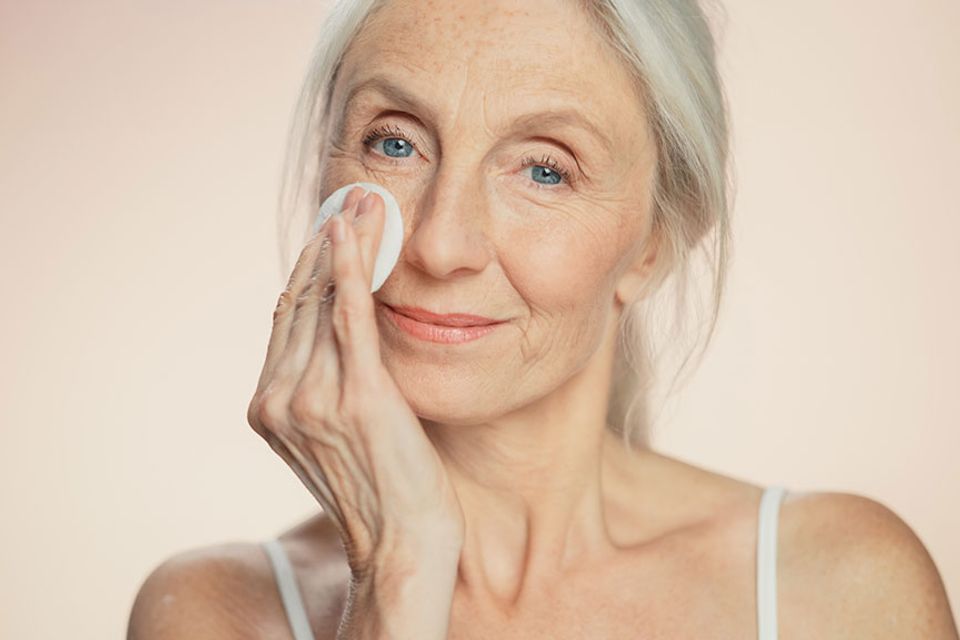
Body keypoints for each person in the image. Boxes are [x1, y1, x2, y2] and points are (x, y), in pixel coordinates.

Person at [126, 0, 959, 638]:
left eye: (545, 171)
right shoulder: (214, 611)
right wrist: (397, 572)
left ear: (651, 245)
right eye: (395, 142)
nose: (442, 244)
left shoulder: (841, 589)